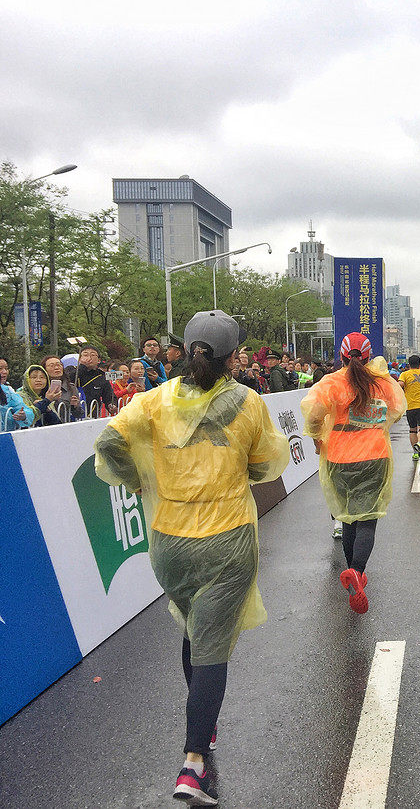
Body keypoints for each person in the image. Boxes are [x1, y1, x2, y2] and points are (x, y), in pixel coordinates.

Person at [93, 310, 290, 806]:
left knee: (192, 625)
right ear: (230, 359)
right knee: (212, 646)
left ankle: (203, 722)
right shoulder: (247, 402)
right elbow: (267, 465)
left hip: (169, 542)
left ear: (185, 348)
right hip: (227, 539)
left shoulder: (152, 400)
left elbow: (108, 441)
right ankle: (193, 762)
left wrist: (137, 480)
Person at [301, 332, 406, 615]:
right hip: (375, 456)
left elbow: (312, 415)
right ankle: (357, 573)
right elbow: (397, 409)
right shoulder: (383, 383)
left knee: (348, 518)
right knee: (367, 522)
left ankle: (352, 574)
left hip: (339, 457)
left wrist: (316, 438)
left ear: (342, 356)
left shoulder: (332, 382)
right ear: (369, 356)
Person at [398, 354, 420, 460]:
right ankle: (419, 443)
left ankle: (415, 453)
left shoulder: (404, 374)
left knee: (412, 430)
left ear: (409, 364)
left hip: (410, 406)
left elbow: (400, 384)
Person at [76, 345, 116, 417]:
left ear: (98, 360)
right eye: (85, 355)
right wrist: (83, 367)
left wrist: (111, 405)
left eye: (93, 355)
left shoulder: (101, 376)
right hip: (72, 415)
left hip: (92, 415)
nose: (89, 358)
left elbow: (109, 396)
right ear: (79, 359)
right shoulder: (73, 371)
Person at [42, 355, 82, 421]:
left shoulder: (71, 388)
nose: (56, 368)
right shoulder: (41, 388)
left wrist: (75, 407)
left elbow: (80, 414)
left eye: (59, 365)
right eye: (52, 366)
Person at [0, 361, 34, 432]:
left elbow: (23, 408)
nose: (4, 372)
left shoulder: (8, 391)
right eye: (0, 368)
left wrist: (23, 416)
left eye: (6, 368)